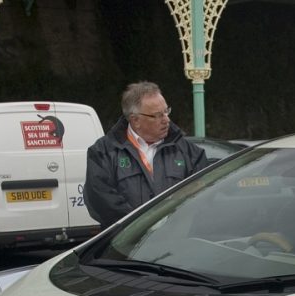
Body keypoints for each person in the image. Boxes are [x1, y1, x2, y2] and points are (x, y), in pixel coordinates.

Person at [85, 81, 207, 228]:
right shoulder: (102, 152)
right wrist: (141, 228)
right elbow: (101, 200)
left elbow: (202, 194)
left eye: (166, 111)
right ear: (135, 120)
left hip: (176, 241)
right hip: (126, 245)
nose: (166, 120)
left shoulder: (188, 151)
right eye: (158, 115)